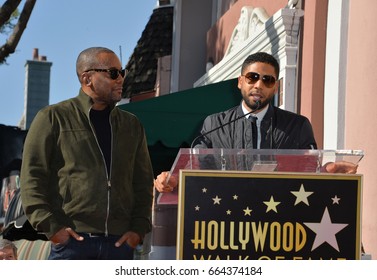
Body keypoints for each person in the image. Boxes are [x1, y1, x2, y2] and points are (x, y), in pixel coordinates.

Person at [20, 47, 154, 260]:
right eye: (112, 73)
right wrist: (54, 230)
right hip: (72, 244)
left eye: (122, 72)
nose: (120, 79)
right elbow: (31, 179)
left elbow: (143, 183)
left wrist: (137, 231)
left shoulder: (132, 125)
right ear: (87, 78)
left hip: (120, 246)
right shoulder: (53, 118)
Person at [154, 52, 357, 192]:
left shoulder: (297, 126)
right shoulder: (214, 125)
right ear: (240, 81)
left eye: (267, 80)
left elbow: (310, 169)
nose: (259, 85)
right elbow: (193, 167)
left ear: (275, 87)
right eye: (252, 77)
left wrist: (328, 170)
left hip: (281, 222)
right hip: (227, 221)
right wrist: (172, 180)